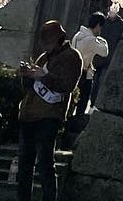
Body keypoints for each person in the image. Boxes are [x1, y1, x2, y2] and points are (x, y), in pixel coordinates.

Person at [14, 21, 81, 201]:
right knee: (24, 165)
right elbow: (28, 87)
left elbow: (66, 85)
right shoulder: (43, 58)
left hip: (49, 115)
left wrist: (43, 76)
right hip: (29, 115)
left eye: (48, 40)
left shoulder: (71, 57)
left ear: (59, 39)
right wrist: (27, 74)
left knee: (45, 164)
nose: (45, 45)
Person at [67, 15, 108, 128]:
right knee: (82, 102)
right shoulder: (91, 40)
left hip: (73, 71)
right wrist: (102, 40)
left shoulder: (78, 35)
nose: (100, 30)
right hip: (85, 74)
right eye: (101, 27)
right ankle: (76, 126)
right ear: (98, 25)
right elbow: (105, 52)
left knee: (72, 100)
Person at [89, 10, 122, 107]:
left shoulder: (121, 25)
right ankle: (91, 104)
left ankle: (95, 105)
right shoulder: (103, 22)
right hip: (97, 57)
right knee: (93, 83)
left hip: (109, 59)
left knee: (101, 83)